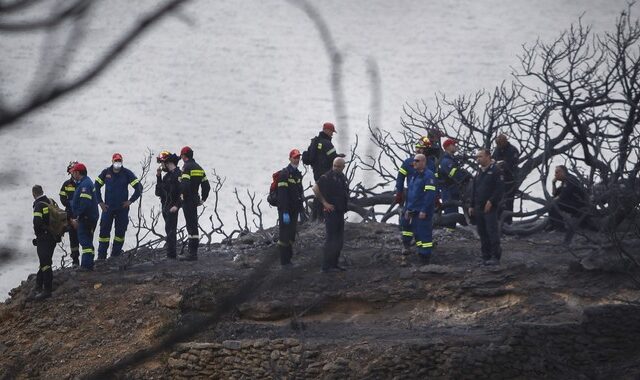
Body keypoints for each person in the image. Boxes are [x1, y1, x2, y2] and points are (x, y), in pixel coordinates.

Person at [94, 153, 142, 260]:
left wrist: (130, 201)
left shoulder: (127, 173)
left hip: (122, 209)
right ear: (112, 161)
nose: (117, 163)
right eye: (116, 161)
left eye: (119, 161)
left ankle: (115, 256)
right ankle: (101, 257)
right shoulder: (106, 172)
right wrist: (100, 202)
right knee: (104, 234)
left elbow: (139, 188)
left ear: (122, 162)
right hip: (108, 208)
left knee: (120, 234)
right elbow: (96, 186)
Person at [394, 136, 432, 253]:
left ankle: (422, 250)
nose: (419, 150)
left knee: (421, 225)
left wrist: (436, 197)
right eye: (417, 148)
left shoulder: (430, 164)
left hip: (423, 199)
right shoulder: (408, 163)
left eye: (421, 148)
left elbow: (434, 182)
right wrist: (399, 192)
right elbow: (400, 178)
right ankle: (406, 244)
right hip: (410, 197)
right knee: (406, 222)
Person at [313, 157, 349, 273]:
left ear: (343, 167)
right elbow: (315, 188)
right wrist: (325, 203)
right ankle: (326, 266)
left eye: (339, 166)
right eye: (335, 166)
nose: (336, 168)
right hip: (330, 212)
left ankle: (334, 264)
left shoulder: (342, 178)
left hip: (340, 211)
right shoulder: (327, 177)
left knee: (339, 239)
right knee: (331, 239)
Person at [469, 149, 504, 266]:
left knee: (492, 231)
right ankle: (486, 256)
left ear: (488, 156)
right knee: (482, 232)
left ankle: (495, 256)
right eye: (477, 157)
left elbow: (499, 189)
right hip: (478, 206)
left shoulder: (495, 170)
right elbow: (474, 189)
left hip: (490, 207)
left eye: (481, 156)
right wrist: (471, 205)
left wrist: (491, 201)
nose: (478, 159)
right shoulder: (479, 172)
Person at [306, 122, 343, 221]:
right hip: (325, 172)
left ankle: (315, 216)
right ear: (326, 130)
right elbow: (333, 157)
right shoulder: (327, 143)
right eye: (331, 132)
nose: (332, 134)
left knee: (319, 192)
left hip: (316, 172)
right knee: (323, 194)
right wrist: (340, 157)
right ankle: (319, 217)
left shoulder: (315, 141)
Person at [179, 146, 211, 261]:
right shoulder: (199, 168)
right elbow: (206, 186)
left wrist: (182, 195)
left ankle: (192, 254)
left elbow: (185, 184)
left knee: (190, 226)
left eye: (181, 156)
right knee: (194, 224)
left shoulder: (186, 167)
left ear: (184, 156)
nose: (181, 158)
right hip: (195, 199)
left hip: (187, 200)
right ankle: (193, 252)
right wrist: (203, 198)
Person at [405, 153, 438, 264]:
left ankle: (425, 257)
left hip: (423, 211)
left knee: (424, 234)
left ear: (424, 162)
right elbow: (411, 194)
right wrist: (408, 209)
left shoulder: (428, 176)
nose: (414, 162)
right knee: (417, 233)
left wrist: (424, 210)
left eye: (417, 161)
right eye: (414, 161)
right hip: (413, 210)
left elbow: (430, 195)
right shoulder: (415, 175)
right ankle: (420, 253)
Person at [276, 149, 304, 267]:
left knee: (291, 234)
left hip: (294, 209)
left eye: (298, 158)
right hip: (285, 210)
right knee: (284, 236)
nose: (296, 160)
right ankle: (284, 261)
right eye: (294, 157)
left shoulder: (297, 174)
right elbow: (282, 195)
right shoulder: (284, 174)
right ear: (290, 159)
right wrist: (285, 212)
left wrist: (301, 209)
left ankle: (289, 259)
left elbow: (299, 193)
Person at [69, 162, 99, 271]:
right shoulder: (86, 182)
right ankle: (90, 263)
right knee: (88, 241)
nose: (72, 175)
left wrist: (78, 217)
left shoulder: (84, 185)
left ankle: (86, 266)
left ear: (77, 173)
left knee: (85, 241)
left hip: (86, 218)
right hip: (90, 217)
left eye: (73, 173)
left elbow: (85, 203)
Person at [31, 185, 57, 300]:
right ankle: (38, 284)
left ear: (33, 194)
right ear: (42, 191)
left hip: (44, 238)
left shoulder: (38, 205)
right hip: (53, 237)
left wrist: (38, 237)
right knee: (45, 261)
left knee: (45, 264)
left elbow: (37, 223)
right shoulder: (50, 201)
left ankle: (47, 290)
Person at [155, 151, 182, 259]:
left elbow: (182, 192)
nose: (161, 166)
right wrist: (158, 177)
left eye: (162, 163)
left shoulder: (178, 174)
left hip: (172, 207)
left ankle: (171, 255)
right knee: (168, 230)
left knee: (171, 231)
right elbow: (158, 192)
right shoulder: (166, 177)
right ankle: (170, 254)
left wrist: (177, 206)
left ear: (168, 162)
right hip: (165, 207)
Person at [438, 138, 469, 225]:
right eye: (454, 145)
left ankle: (452, 228)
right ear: (448, 147)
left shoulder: (452, 159)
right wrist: (464, 176)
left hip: (454, 190)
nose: (456, 146)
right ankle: (449, 230)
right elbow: (455, 174)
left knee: (454, 209)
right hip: (448, 190)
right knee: (450, 212)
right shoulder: (446, 161)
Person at [548, 165, 589, 231]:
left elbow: (562, 195)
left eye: (557, 172)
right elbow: (555, 194)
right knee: (553, 201)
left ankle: (560, 227)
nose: (555, 175)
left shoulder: (570, 179)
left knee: (556, 203)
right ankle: (552, 224)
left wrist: (552, 201)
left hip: (579, 205)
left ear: (562, 172)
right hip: (571, 203)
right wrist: (553, 183)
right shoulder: (564, 181)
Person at [493, 134, 520, 224]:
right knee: (498, 200)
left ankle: (508, 221)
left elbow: (513, 164)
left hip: (509, 180)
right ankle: (498, 220)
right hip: (498, 180)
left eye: (500, 144)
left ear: (504, 142)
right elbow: (493, 159)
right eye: (497, 144)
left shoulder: (513, 150)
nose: (498, 146)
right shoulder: (497, 150)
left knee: (509, 201)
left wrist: (504, 165)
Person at [59, 162, 80, 267]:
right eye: (72, 171)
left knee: (84, 237)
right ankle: (75, 260)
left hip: (81, 213)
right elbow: (62, 197)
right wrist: (69, 203)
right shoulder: (66, 184)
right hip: (70, 214)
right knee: (73, 238)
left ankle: (87, 260)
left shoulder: (83, 182)